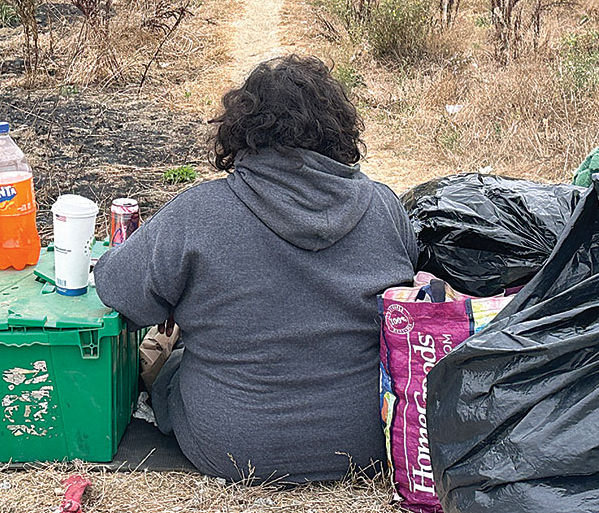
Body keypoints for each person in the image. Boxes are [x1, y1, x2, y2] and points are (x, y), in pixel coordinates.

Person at [94, 55, 417, 483]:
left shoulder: (198, 213)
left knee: (167, 363)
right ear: (339, 133)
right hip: (364, 441)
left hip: (233, 444)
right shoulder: (384, 206)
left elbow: (117, 289)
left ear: (241, 131)